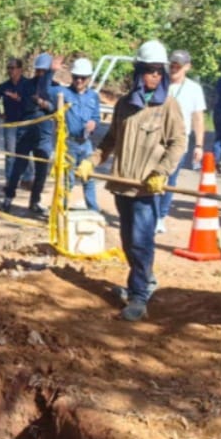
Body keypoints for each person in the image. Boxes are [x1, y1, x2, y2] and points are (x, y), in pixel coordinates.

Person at [75, 40, 186, 322]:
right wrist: (91, 160)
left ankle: (139, 297)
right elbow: (110, 140)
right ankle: (144, 281)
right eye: (149, 71)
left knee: (141, 241)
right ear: (138, 72)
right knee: (128, 241)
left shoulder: (168, 106)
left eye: (159, 71)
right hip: (121, 184)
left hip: (147, 188)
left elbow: (177, 143)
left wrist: (162, 172)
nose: (155, 76)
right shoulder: (125, 105)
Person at [3, 52, 60, 217]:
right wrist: (38, 103)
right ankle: (8, 198)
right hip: (26, 131)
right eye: (38, 70)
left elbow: (56, 108)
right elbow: (26, 104)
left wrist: (44, 103)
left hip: (44, 134)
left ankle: (35, 201)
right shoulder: (27, 85)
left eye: (44, 71)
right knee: (18, 166)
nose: (40, 74)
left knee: (42, 170)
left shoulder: (55, 88)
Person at [157, 49, 206, 234]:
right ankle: (150, 214)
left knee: (169, 179)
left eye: (179, 64)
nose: (174, 67)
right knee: (151, 176)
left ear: (187, 67)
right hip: (155, 139)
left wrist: (199, 145)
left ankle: (160, 217)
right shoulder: (160, 83)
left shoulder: (194, 89)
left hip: (179, 142)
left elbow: (198, 118)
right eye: (173, 64)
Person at [61, 57, 102, 212]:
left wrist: (94, 123)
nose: (79, 81)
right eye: (76, 77)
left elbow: (97, 117)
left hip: (86, 143)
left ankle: (93, 210)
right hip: (68, 143)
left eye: (82, 78)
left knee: (88, 177)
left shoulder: (93, 96)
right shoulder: (63, 93)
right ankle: (61, 210)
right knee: (68, 179)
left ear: (88, 78)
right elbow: (45, 92)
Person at [0, 57, 34, 185]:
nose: (10, 71)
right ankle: (10, 180)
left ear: (20, 69)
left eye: (13, 68)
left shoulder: (28, 84)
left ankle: (28, 178)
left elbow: (32, 103)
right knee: (10, 153)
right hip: (10, 123)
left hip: (25, 123)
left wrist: (19, 99)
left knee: (26, 152)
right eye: (8, 68)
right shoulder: (4, 86)